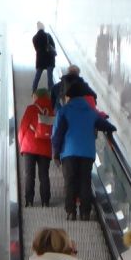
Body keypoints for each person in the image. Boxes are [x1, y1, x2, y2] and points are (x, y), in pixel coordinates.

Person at [51, 87, 116, 220]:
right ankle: (85, 212)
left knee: (70, 181)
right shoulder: (91, 112)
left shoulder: (64, 111)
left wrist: (56, 153)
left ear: (69, 98)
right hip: (87, 153)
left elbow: (57, 134)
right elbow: (106, 125)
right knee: (85, 182)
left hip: (69, 152)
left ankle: (71, 211)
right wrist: (111, 129)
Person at [18, 81, 55, 209]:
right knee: (44, 174)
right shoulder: (53, 110)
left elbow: (22, 128)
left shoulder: (31, 108)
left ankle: (29, 201)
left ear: (37, 97)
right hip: (45, 147)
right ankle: (45, 201)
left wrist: (21, 144)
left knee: (29, 174)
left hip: (29, 146)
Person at [33, 22, 57, 95]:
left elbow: (36, 49)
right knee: (50, 77)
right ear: (43, 28)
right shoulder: (48, 35)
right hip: (50, 59)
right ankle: (51, 92)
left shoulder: (34, 38)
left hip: (40, 59)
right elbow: (53, 46)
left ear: (37, 28)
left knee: (37, 76)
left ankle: (34, 90)